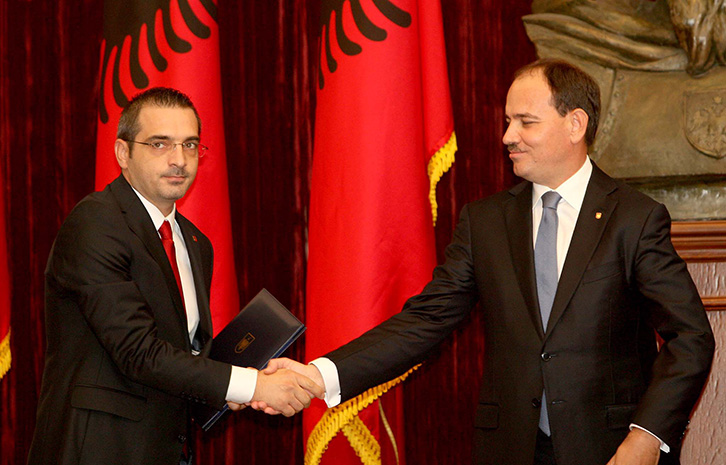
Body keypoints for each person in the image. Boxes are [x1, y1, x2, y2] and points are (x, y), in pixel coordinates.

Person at [264, 60, 715, 465]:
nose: (507, 136)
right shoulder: (486, 222)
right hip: (511, 448)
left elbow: (690, 337)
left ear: (575, 124)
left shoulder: (634, 218)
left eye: (526, 122)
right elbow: (425, 321)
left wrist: (647, 436)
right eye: (507, 121)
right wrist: (320, 374)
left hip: (613, 449)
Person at [27, 87, 323, 465]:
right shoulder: (96, 223)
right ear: (123, 153)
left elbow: (184, 353)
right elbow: (139, 352)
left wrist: (235, 378)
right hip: (100, 450)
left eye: (190, 145)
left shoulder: (196, 243)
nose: (179, 160)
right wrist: (252, 386)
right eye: (159, 144)